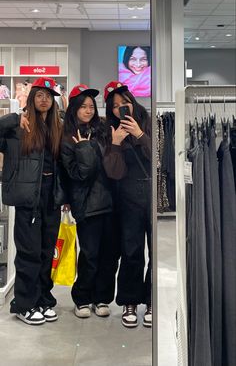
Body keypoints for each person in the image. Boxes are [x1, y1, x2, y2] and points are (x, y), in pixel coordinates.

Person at [0, 77, 65, 325]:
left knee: (47, 252)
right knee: (28, 253)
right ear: (31, 97)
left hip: (51, 196)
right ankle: (23, 304)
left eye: (49, 95)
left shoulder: (57, 127)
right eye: (39, 94)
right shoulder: (19, 126)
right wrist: (14, 118)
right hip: (29, 197)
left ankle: (42, 299)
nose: (44, 99)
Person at [61, 84, 117, 319]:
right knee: (90, 255)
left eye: (91, 106)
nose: (88, 110)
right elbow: (79, 174)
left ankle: (102, 297)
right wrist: (83, 147)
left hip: (111, 203)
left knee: (109, 256)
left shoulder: (103, 130)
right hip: (87, 204)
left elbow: (111, 165)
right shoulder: (67, 139)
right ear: (74, 109)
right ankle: (83, 298)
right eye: (83, 106)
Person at [103, 81, 152, 328]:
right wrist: (115, 144)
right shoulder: (110, 131)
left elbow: (160, 157)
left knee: (156, 251)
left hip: (153, 195)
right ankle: (130, 301)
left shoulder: (149, 121)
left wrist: (140, 135)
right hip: (128, 196)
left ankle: (151, 300)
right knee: (131, 251)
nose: (120, 109)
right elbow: (113, 172)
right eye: (115, 106)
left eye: (124, 103)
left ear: (132, 101)